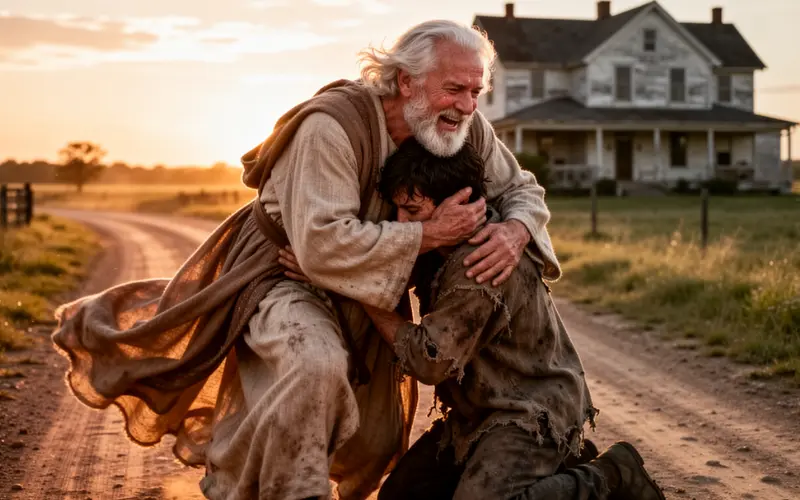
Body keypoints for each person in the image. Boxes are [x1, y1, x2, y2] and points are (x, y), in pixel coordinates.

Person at [52, 20, 561, 500]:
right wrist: (428, 235)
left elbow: (521, 188)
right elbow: (320, 244)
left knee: (376, 436)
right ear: (406, 81)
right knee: (312, 364)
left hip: (365, 279)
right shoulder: (330, 127)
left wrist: (516, 230)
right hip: (285, 271)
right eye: (455, 89)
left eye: (476, 91)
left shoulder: (464, 129)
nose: (468, 105)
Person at [281, 137, 666, 500]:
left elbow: (430, 360)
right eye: (397, 209)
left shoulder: (476, 263)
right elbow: (379, 258)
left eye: (411, 211)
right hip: (476, 413)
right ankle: (557, 468)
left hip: (530, 412)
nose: (400, 223)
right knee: (401, 495)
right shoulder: (438, 245)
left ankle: (611, 474)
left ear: (460, 202)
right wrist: (329, 262)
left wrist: (351, 286)